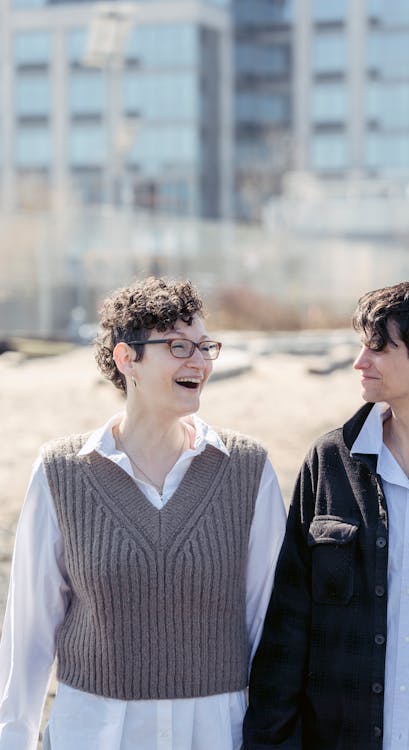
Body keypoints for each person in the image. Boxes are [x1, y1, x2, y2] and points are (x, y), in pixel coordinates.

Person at [0, 276, 286, 750]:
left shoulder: (249, 470)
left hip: (216, 734)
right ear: (126, 358)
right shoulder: (60, 472)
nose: (199, 361)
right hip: (94, 733)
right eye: (178, 346)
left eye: (204, 347)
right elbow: (28, 631)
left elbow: (269, 625)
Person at [243, 279, 409, 750]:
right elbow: (289, 624)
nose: (360, 362)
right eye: (362, 347)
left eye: (379, 349)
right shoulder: (329, 462)